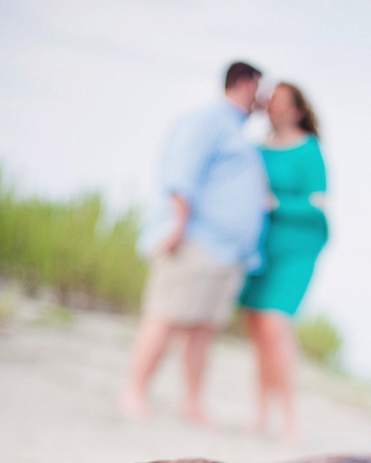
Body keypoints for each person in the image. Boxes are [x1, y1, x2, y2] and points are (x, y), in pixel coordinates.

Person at [121, 62, 266, 422]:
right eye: (259, 90)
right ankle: (134, 393)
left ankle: (192, 403)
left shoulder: (237, 131)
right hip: (195, 239)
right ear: (245, 83)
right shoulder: (208, 119)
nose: (260, 100)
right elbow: (182, 170)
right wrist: (178, 224)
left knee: (203, 327)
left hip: (226, 251)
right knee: (165, 316)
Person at [240, 82, 328, 442]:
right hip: (259, 248)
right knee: (257, 330)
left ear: (295, 110)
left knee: (276, 325)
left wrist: (277, 203)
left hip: (297, 248)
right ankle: (260, 415)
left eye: (278, 100)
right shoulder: (256, 148)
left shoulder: (309, 149)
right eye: (269, 98)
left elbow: (318, 203)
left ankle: (290, 420)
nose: (271, 104)